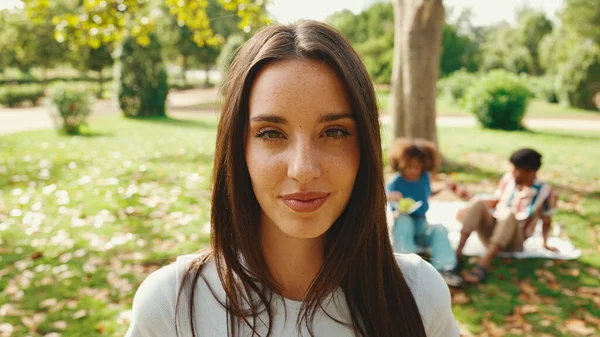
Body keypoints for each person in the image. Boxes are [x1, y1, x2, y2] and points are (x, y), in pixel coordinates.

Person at [125, 21, 459, 337]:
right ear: (238, 149)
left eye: (334, 132)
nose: (303, 169)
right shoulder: (171, 306)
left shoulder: (418, 294)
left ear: (366, 148)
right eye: (271, 133)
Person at [454, 148, 558, 284]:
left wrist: (545, 243)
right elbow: (496, 200)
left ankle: (483, 265)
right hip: (493, 230)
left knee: (509, 215)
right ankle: (457, 255)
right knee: (478, 202)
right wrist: (470, 205)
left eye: (517, 169)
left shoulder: (546, 192)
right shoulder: (508, 179)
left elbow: (546, 219)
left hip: (515, 239)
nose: (514, 173)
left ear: (531, 172)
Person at [386, 138, 463, 288]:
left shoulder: (424, 178)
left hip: (421, 222)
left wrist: (445, 189)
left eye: (417, 167)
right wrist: (391, 198)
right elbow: (382, 200)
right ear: (401, 165)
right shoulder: (396, 181)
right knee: (404, 220)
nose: (413, 170)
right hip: (402, 225)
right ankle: (406, 268)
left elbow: (426, 195)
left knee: (439, 228)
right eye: (408, 166)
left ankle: (446, 269)